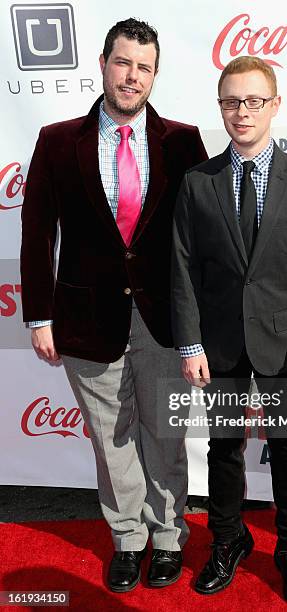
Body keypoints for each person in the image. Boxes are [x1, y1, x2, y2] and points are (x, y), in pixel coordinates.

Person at [20, 18, 207, 593]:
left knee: (165, 434)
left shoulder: (182, 140)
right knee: (112, 437)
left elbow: (198, 238)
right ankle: (128, 538)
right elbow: (36, 231)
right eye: (123, 63)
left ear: (155, 75)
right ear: (103, 63)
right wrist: (39, 314)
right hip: (84, 318)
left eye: (144, 67)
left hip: (164, 319)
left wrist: (204, 322)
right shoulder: (56, 140)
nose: (133, 77)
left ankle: (169, 536)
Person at [172, 56, 287, 609]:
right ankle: (228, 540)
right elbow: (181, 266)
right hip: (219, 343)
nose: (241, 111)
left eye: (253, 100)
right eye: (230, 101)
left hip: (286, 344)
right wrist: (191, 342)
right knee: (224, 447)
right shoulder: (199, 183)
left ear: (275, 106)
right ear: (219, 107)